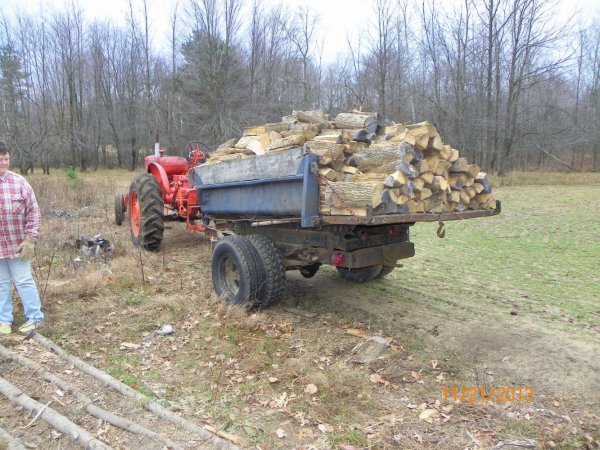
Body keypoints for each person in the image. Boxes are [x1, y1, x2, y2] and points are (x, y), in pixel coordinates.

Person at [0, 140, 44, 334]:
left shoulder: (19, 182)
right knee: (1, 284)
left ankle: (35, 317)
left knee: (24, 280)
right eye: (0, 160)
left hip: (18, 246)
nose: (4, 163)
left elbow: (34, 211)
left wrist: (30, 240)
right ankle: (4, 320)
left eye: (6, 159)